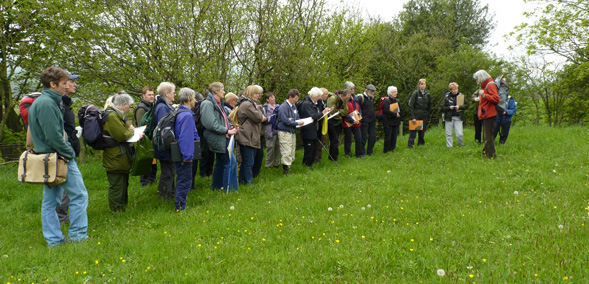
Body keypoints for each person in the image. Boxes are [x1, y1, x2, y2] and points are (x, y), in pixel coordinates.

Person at [28, 67, 88, 246]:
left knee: (51, 200)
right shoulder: (46, 104)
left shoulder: (45, 101)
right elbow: (54, 136)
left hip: (49, 158)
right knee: (79, 196)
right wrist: (69, 154)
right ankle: (77, 237)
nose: (66, 86)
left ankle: (55, 240)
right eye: (63, 84)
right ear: (53, 84)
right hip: (59, 158)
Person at [200, 82, 239, 191]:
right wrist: (227, 130)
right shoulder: (207, 104)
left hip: (224, 136)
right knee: (229, 162)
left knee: (221, 162)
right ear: (216, 91)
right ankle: (229, 189)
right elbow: (210, 124)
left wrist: (231, 127)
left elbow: (225, 119)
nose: (224, 91)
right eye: (222, 89)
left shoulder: (219, 103)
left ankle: (217, 187)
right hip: (218, 138)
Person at [102, 92, 136, 212]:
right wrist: (133, 132)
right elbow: (122, 135)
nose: (129, 109)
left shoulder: (117, 115)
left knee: (122, 182)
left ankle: (122, 206)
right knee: (116, 184)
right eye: (129, 106)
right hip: (114, 156)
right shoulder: (112, 116)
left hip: (120, 155)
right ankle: (116, 210)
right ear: (123, 104)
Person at [55, 72, 81, 224]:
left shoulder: (65, 103)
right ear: (63, 84)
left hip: (69, 150)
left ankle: (60, 216)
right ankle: (61, 217)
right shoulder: (59, 105)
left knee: (64, 186)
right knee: (71, 188)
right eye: (72, 82)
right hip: (64, 152)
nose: (75, 85)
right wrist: (68, 151)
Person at [174, 88, 200, 211]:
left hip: (181, 153)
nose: (195, 100)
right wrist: (188, 157)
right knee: (184, 181)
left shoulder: (179, 112)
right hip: (185, 155)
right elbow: (186, 138)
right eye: (194, 98)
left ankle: (180, 205)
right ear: (189, 98)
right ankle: (180, 208)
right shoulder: (187, 116)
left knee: (182, 179)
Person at [236, 85, 267, 185]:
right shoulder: (247, 104)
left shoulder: (250, 103)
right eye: (255, 93)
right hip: (247, 136)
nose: (257, 96)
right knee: (248, 162)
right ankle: (248, 182)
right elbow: (259, 117)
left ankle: (242, 181)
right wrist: (261, 115)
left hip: (249, 136)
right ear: (249, 93)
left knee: (248, 161)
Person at [154, 82, 177, 200]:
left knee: (170, 170)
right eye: (173, 92)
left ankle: (169, 193)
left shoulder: (164, 105)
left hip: (165, 145)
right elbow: (165, 130)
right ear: (167, 93)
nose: (175, 94)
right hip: (165, 146)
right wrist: (172, 144)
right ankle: (164, 196)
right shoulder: (162, 107)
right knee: (166, 172)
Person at [299, 87, 331, 169]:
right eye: (318, 97)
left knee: (314, 148)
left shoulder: (317, 103)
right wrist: (322, 113)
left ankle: (311, 164)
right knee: (309, 149)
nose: (319, 99)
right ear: (313, 96)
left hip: (315, 129)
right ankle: (306, 165)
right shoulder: (306, 104)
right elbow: (313, 116)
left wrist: (327, 111)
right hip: (307, 129)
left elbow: (318, 113)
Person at [473, 70, 500, 158]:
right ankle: (486, 154)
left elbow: (496, 98)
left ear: (481, 78)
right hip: (486, 113)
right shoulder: (485, 86)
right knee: (487, 136)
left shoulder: (490, 85)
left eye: (476, 79)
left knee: (488, 137)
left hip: (489, 114)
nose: (476, 81)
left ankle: (491, 155)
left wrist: (484, 95)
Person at [277, 89, 304, 175]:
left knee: (292, 151)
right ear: (290, 97)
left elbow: (297, 116)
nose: (297, 100)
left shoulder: (294, 106)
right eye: (295, 98)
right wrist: (296, 123)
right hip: (285, 132)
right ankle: (285, 170)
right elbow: (284, 120)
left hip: (292, 131)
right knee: (286, 151)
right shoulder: (283, 107)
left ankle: (289, 167)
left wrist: (301, 121)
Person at [134, 86, 157, 187]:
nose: (152, 97)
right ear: (144, 96)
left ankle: (152, 179)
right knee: (145, 160)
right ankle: (145, 182)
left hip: (151, 139)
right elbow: (141, 126)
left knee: (153, 161)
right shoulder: (141, 108)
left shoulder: (151, 106)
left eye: (153, 94)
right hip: (144, 139)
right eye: (149, 95)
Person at [441, 82, 469, 148]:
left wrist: (460, 107)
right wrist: (449, 108)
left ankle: (461, 145)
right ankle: (449, 147)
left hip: (458, 117)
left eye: (456, 89)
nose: (455, 90)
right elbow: (442, 107)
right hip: (449, 117)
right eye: (453, 89)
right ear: (450, 90)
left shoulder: (461, 96)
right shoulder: (447, 97)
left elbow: (467, 105)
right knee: (449, 134)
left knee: (459, 134)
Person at [326, 89, 351, 162]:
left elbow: (346, 112)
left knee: (336, 140)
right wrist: (340, 112)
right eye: (347, 98)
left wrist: (339, 112)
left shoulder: (344, 101)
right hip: (331, 122)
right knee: (334, 140)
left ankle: (333, 157)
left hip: (338, 122)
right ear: (342, 95)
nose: (347, 100)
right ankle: (333, 158)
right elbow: (332, 111)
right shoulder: (333, 98)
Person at [408, 78, 432, 148]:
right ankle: (410, 145)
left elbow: (430, 105)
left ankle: (421, 144)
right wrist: (413, 117)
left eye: (424, 84)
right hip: (416, 115)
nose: (423, 86)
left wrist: (427, 114)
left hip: (424, 115)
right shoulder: (415, 93)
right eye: (421, 84)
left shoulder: (427, 94)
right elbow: (411, 105)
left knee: (422, 132)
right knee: (413, 132)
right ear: (419, 85)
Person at [342, 81, 363, 157]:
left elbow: (359, 108)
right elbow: (344, 112)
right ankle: (348, 154)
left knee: (359, 138)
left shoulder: (355, 98)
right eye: (351, 89)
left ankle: (359, 154)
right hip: (348, 122)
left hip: (357, 121)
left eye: (353, 88)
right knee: (348, 139)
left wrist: (359, 118)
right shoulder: (344, 99)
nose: (353, 90)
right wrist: (352, 120)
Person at [494, 78, 517, 144]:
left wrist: (506, 112)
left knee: (504, 133)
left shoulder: (510, 98)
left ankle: (501, 144)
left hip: (506, 119)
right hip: (497, 118)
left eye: (505, 88)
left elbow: (513, 109)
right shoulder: (496, 97)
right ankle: (491, 144)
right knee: (494, 131)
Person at [382, 86, 403, 153]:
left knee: (394, 137)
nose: (395, 93)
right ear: (390, 93)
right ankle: (386, 151)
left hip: (396, 122)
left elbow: (401, 110)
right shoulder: (386, 101)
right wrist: (394, 114)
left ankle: (392, 150)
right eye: (394, 92)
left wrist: (399, 113)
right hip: (388, 122)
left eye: (396, 91)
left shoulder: (397, 101)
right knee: (388, 137)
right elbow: (385, 110)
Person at [357, 84, 377, 155]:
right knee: (363, 137)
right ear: (367, 90)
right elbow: (357, 109)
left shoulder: (371, 98)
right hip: (364, 121)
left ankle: (370, 151)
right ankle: (362, 152)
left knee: (373, 136)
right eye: (371, 91)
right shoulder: (361, 98)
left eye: (373, 91)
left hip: (372, 120)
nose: (372, 93)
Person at [263, 92, 281, 168]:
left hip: (278, 130)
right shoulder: (265, 108)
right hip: (269, 131)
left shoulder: (278, 107)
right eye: (271, 97)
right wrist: (272, 118)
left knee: (278, 147)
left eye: (274, 97)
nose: (273, 98)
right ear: (267, 99)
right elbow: (263, 120)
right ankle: (268, 165)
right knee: (270, 148)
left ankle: (276, 164)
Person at [314, 88, 329, 163]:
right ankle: (316, 159)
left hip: (322, 124)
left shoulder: (324, 102)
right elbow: (319, 113)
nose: (327, 96)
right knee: (317, 143)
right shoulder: (319, 102)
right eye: (326, 94)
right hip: (317, 125)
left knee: (321, 142)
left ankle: (318, 158)